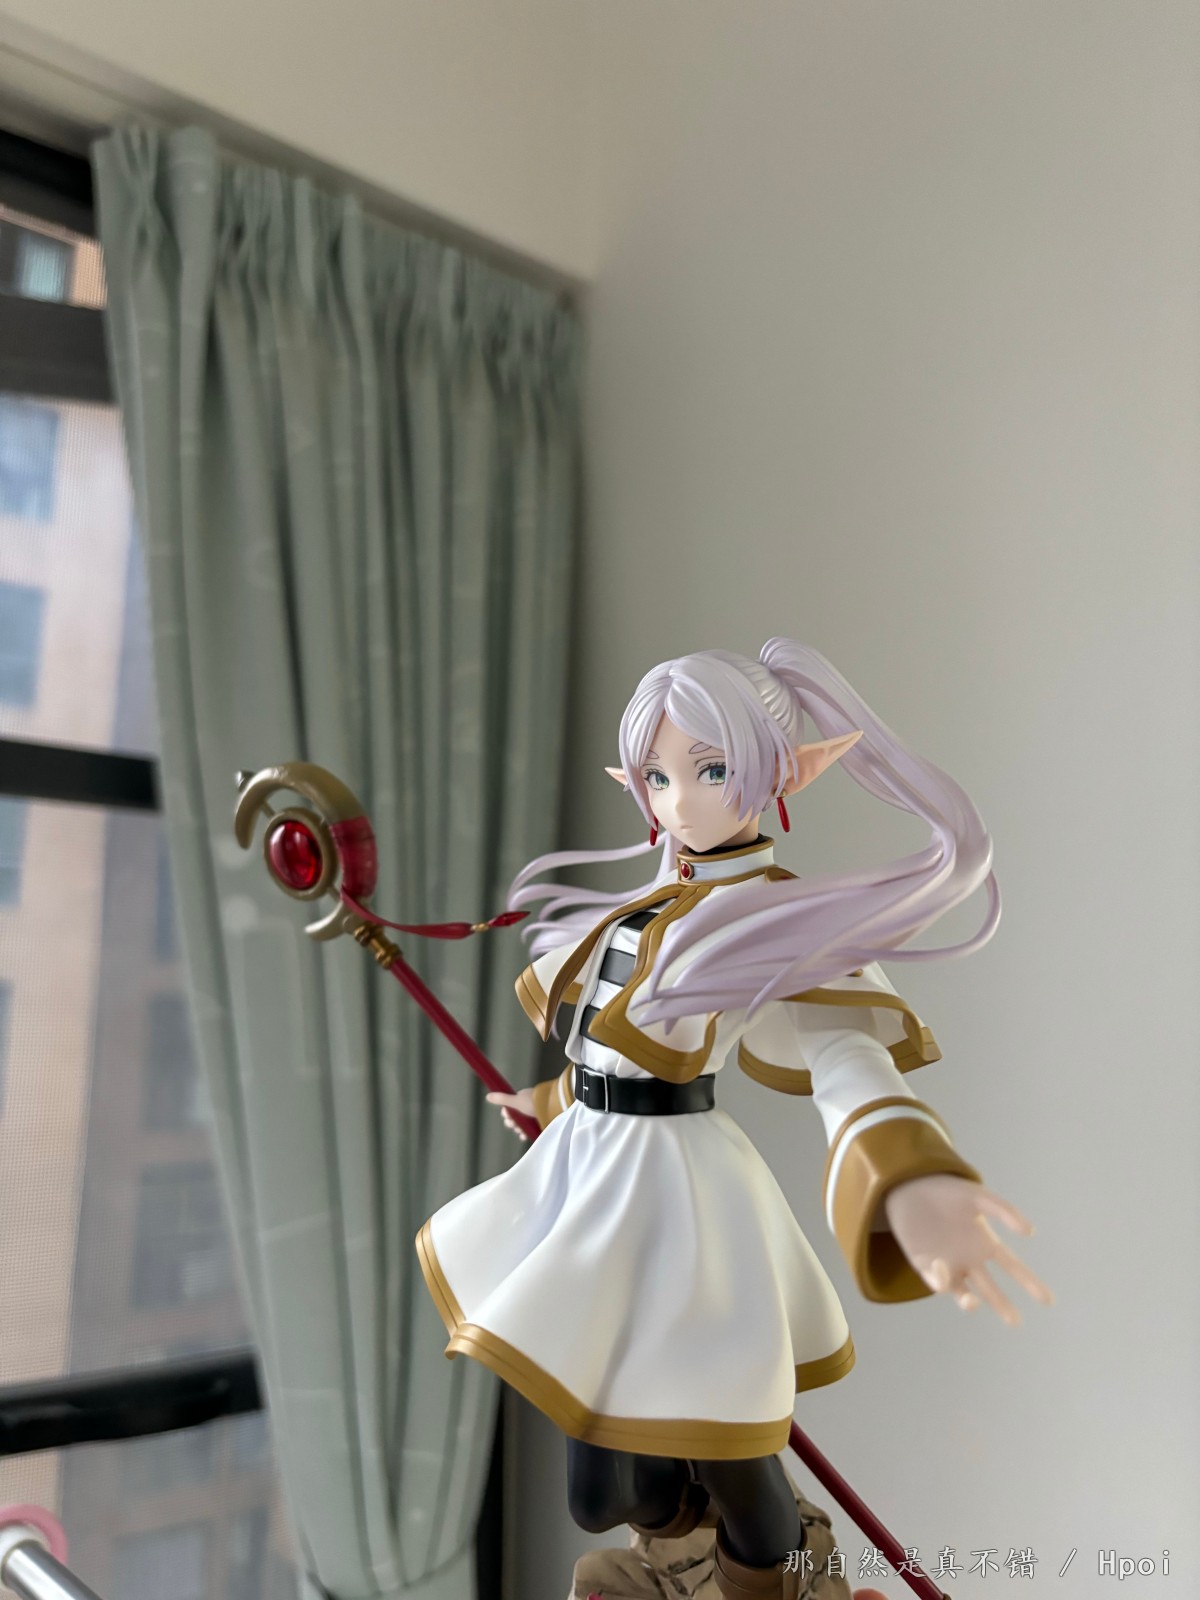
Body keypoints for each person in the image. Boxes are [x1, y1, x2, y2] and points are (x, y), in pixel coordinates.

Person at [414, 640, 1052, 1600]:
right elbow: (609, 1050)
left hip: (680, 1203)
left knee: (729, 1445)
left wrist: (909, 1178)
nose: (679, 802)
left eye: (710, 771)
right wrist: (547, 1102)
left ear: (784, 772)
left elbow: (844, 1055)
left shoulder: (773, 915)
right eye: (658, 776)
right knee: (606, 1495)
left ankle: (783, 1574)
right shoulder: (650, 903)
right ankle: (687, 1554)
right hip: (591, 1182)